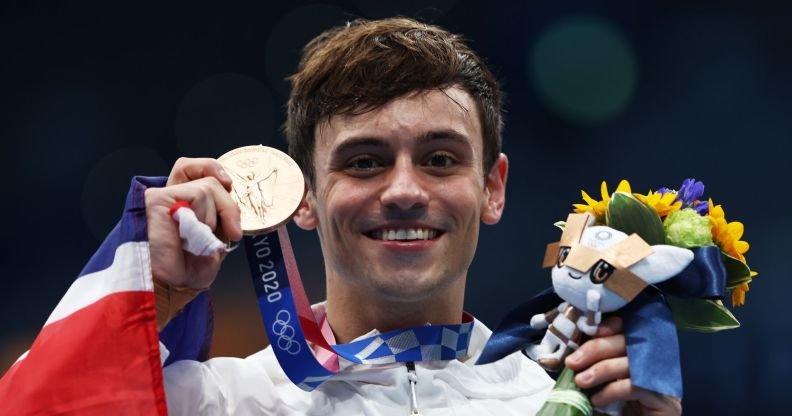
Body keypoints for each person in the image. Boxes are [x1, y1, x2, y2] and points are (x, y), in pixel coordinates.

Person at [8, 17, 683, 415]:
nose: (403, 191)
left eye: (441, 159)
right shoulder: (215, 401)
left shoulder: (561, 401)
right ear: (304, 195)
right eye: (363, 162)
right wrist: (151, 294)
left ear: (492, 189)